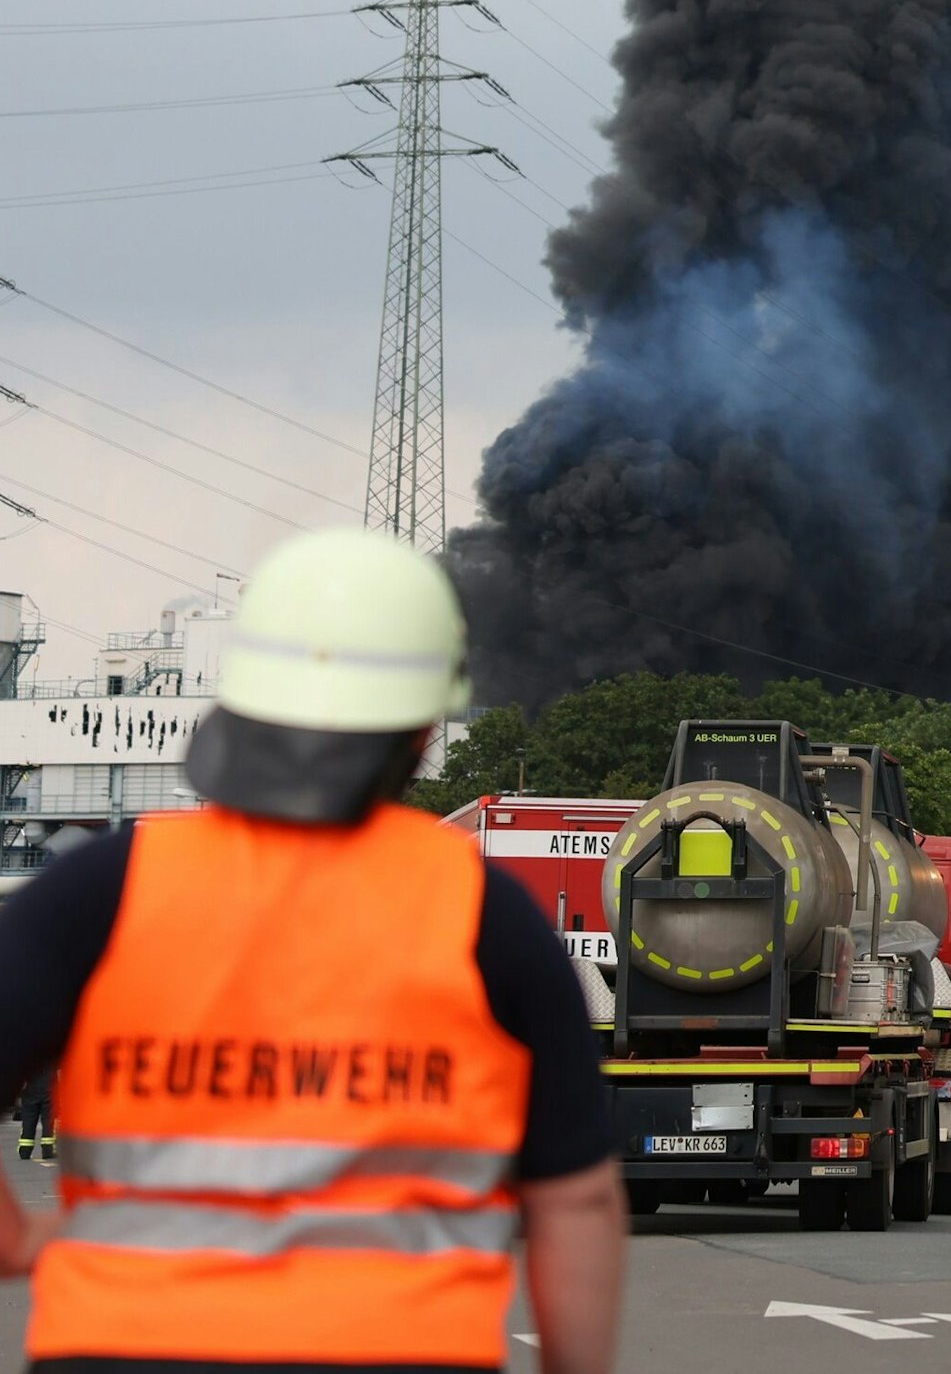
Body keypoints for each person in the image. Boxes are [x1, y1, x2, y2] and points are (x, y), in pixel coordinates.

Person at [0, 528, 626, 1374]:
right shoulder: (486, 917)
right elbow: (577, 1203)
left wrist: (17, 1240)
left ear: (240, 701)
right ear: (423, 731)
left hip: (123, 1347)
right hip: (402, 1353)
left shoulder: (101, 891)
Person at [13, 1065, 54, 1162]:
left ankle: (25, 1150)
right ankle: (47, 1150)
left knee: (28, 1120)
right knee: (48, 1120)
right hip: (49, 1089)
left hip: (30, 1089)